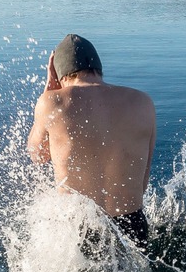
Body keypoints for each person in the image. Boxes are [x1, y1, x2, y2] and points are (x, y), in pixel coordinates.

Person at [27, 34, 156, 248]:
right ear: (99, 68)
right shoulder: (143, 102)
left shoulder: (52, 101)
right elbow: (142, 184)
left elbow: (37, 155)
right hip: (134, 225)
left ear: (60, 75)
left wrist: (49, 89)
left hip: (80, 229)